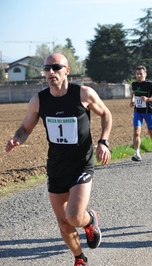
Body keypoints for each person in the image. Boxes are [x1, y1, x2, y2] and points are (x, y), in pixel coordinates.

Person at [5, 53, 112, 266]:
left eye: (55, 67)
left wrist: (103, 141)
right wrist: (17, 139)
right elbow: (26, 128)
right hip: (56, 166)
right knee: (63, 223)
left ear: (67, 71)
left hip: (81, 163)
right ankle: (80, 258)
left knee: (73, 216)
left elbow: (106, 114)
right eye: (46, 69)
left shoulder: (83, 93)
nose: (50, 72)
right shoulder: (39, 100)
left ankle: (89, 220)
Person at [129, 66, 152, 161]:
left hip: (148, 112)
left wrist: (148, 99)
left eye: (141, 74)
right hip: (138, 112)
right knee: (136, 132)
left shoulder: (149, 84)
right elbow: (133, 93)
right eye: (137, 74)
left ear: (145, 74)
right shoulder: (134, 84)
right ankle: (137, 154)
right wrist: (132, 101)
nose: (139, 76)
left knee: (151, 131)